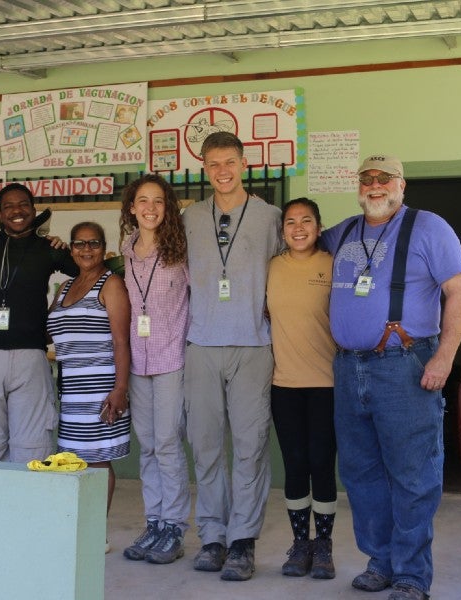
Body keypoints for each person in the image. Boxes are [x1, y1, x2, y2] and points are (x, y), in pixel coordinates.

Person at [323, 155, 461, 600]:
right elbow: (298, 237)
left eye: (383, 178)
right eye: (366, 178)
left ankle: (411, 575)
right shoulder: (344, 231)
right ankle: (380, 562)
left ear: (401, 185)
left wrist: (444, 357)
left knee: (412, 474)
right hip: (349, 367)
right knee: (360, 472)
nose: (374, 185)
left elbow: (460, 291)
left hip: (405, 364)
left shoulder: (429, 227)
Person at [183, 131, 283, 581]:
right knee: (205, 446)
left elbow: (290, 270)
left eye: (230, 163)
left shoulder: (271, 217)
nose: (222, 171)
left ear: (245, 163)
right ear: (204, 167)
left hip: (253, 344)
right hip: (201, 344)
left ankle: (242, 541)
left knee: (250, 446)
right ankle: (212, 536)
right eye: (213, 164)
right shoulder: (188, 218)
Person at [0, 183, 78, 463]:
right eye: (8, 206)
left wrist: (67, 248)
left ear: (33, 211)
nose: (16, 211)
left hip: (31, 358)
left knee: (32, 453)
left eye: (23, 204)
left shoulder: (49, 249)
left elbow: (86, 272)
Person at [117, 175, 192, 565]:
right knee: (147, 445)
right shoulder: (127, 249)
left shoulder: (181, 249)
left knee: (166, 443)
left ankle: (174, 525)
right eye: (143, 201)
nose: (150, 208)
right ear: (131, 207)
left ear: (169, 207)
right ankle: (155, 520)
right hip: (139, 362)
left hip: (171, 359)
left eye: (158, 201)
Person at [46, 221, 131, 544]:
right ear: (70, 249)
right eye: (79, 244)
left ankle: (96, 534)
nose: (86, 250)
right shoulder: (65, 287)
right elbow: (50, 331)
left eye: (93, 243)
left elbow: (122, 342)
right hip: (71, 391)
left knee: (97, 462)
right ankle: (78, 529)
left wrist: (120, 389)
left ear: (103, 247)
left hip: (101, 389)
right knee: (73, 460)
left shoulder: (111, 284)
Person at [266, 198, 337, 579]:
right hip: (285, 385)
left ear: (318, 226)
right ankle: (300, 544)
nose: (298, 228)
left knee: (322, 465)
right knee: (295, 465)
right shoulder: (272, 268)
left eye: (306, 220)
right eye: (290, 222)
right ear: (282, 231)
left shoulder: (332, 264)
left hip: (327, 385)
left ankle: (324, 546)